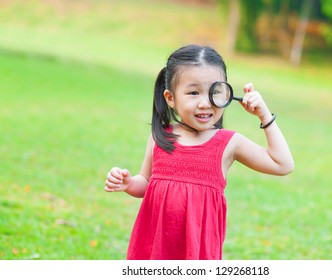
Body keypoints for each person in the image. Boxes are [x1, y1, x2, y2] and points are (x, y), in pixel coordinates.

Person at [104, 44, 294, 260]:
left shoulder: (229, 143)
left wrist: (264, 115)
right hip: (155, 250)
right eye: (193, 92)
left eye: (214, 92)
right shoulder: (161, 137)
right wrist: (129, 184)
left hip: (197, 254)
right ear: (170, 98)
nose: (205, 103)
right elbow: (146, 183)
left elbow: (283, 164)